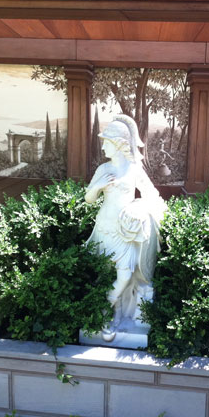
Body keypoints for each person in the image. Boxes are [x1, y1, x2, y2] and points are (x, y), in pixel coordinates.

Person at [85, 114, 166, 342]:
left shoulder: (134, 170)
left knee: (125, 276)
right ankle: (108, 316)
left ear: (119, 144)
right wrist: (98, 186)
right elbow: (89, 199)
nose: (103, 147)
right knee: (103, 275)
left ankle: (106, 306)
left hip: (125, 232)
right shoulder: (103, 169)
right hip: (104, 228)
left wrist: (140, 209)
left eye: (106, 142)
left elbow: (152, 195)